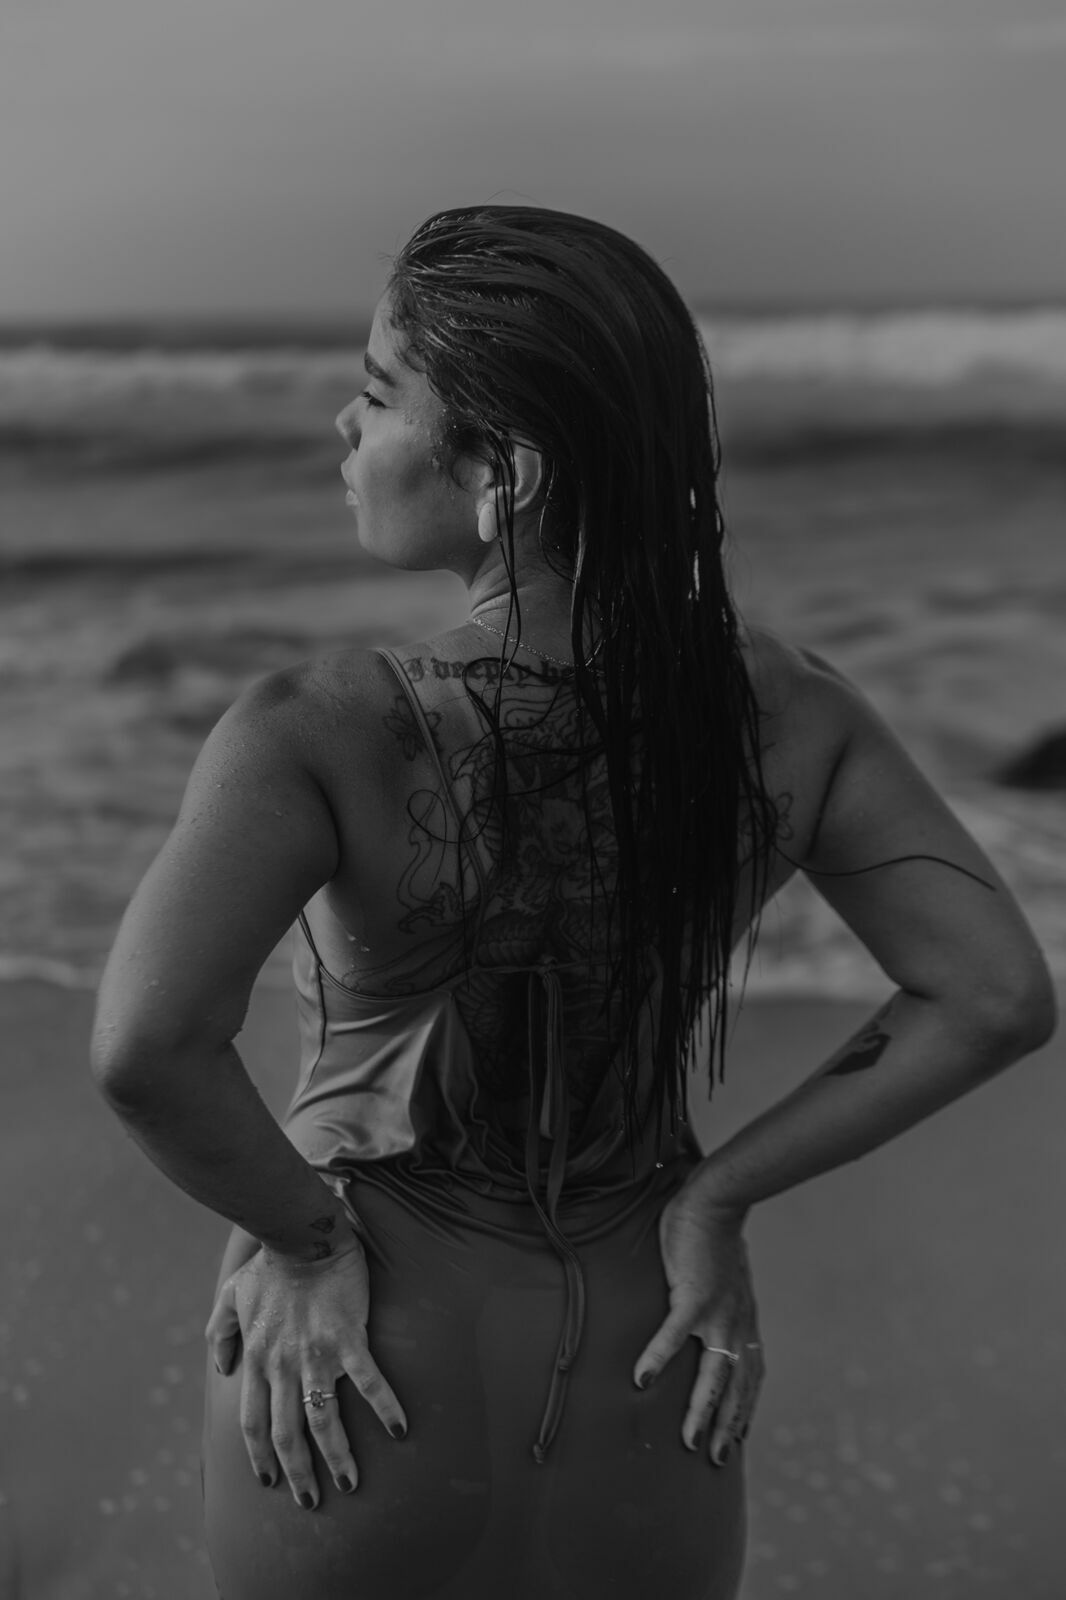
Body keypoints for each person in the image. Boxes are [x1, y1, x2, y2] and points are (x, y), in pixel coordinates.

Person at [90, 206, 1057, 1600]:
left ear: (504, 467)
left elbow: (147, 1048)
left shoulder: (321, 726)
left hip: (355, 1331)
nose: (342, 429)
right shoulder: (786, 712)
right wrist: (721, 1195)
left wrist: (301, 1237)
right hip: (655, 1323)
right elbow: (992, 995)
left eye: (376, 393)